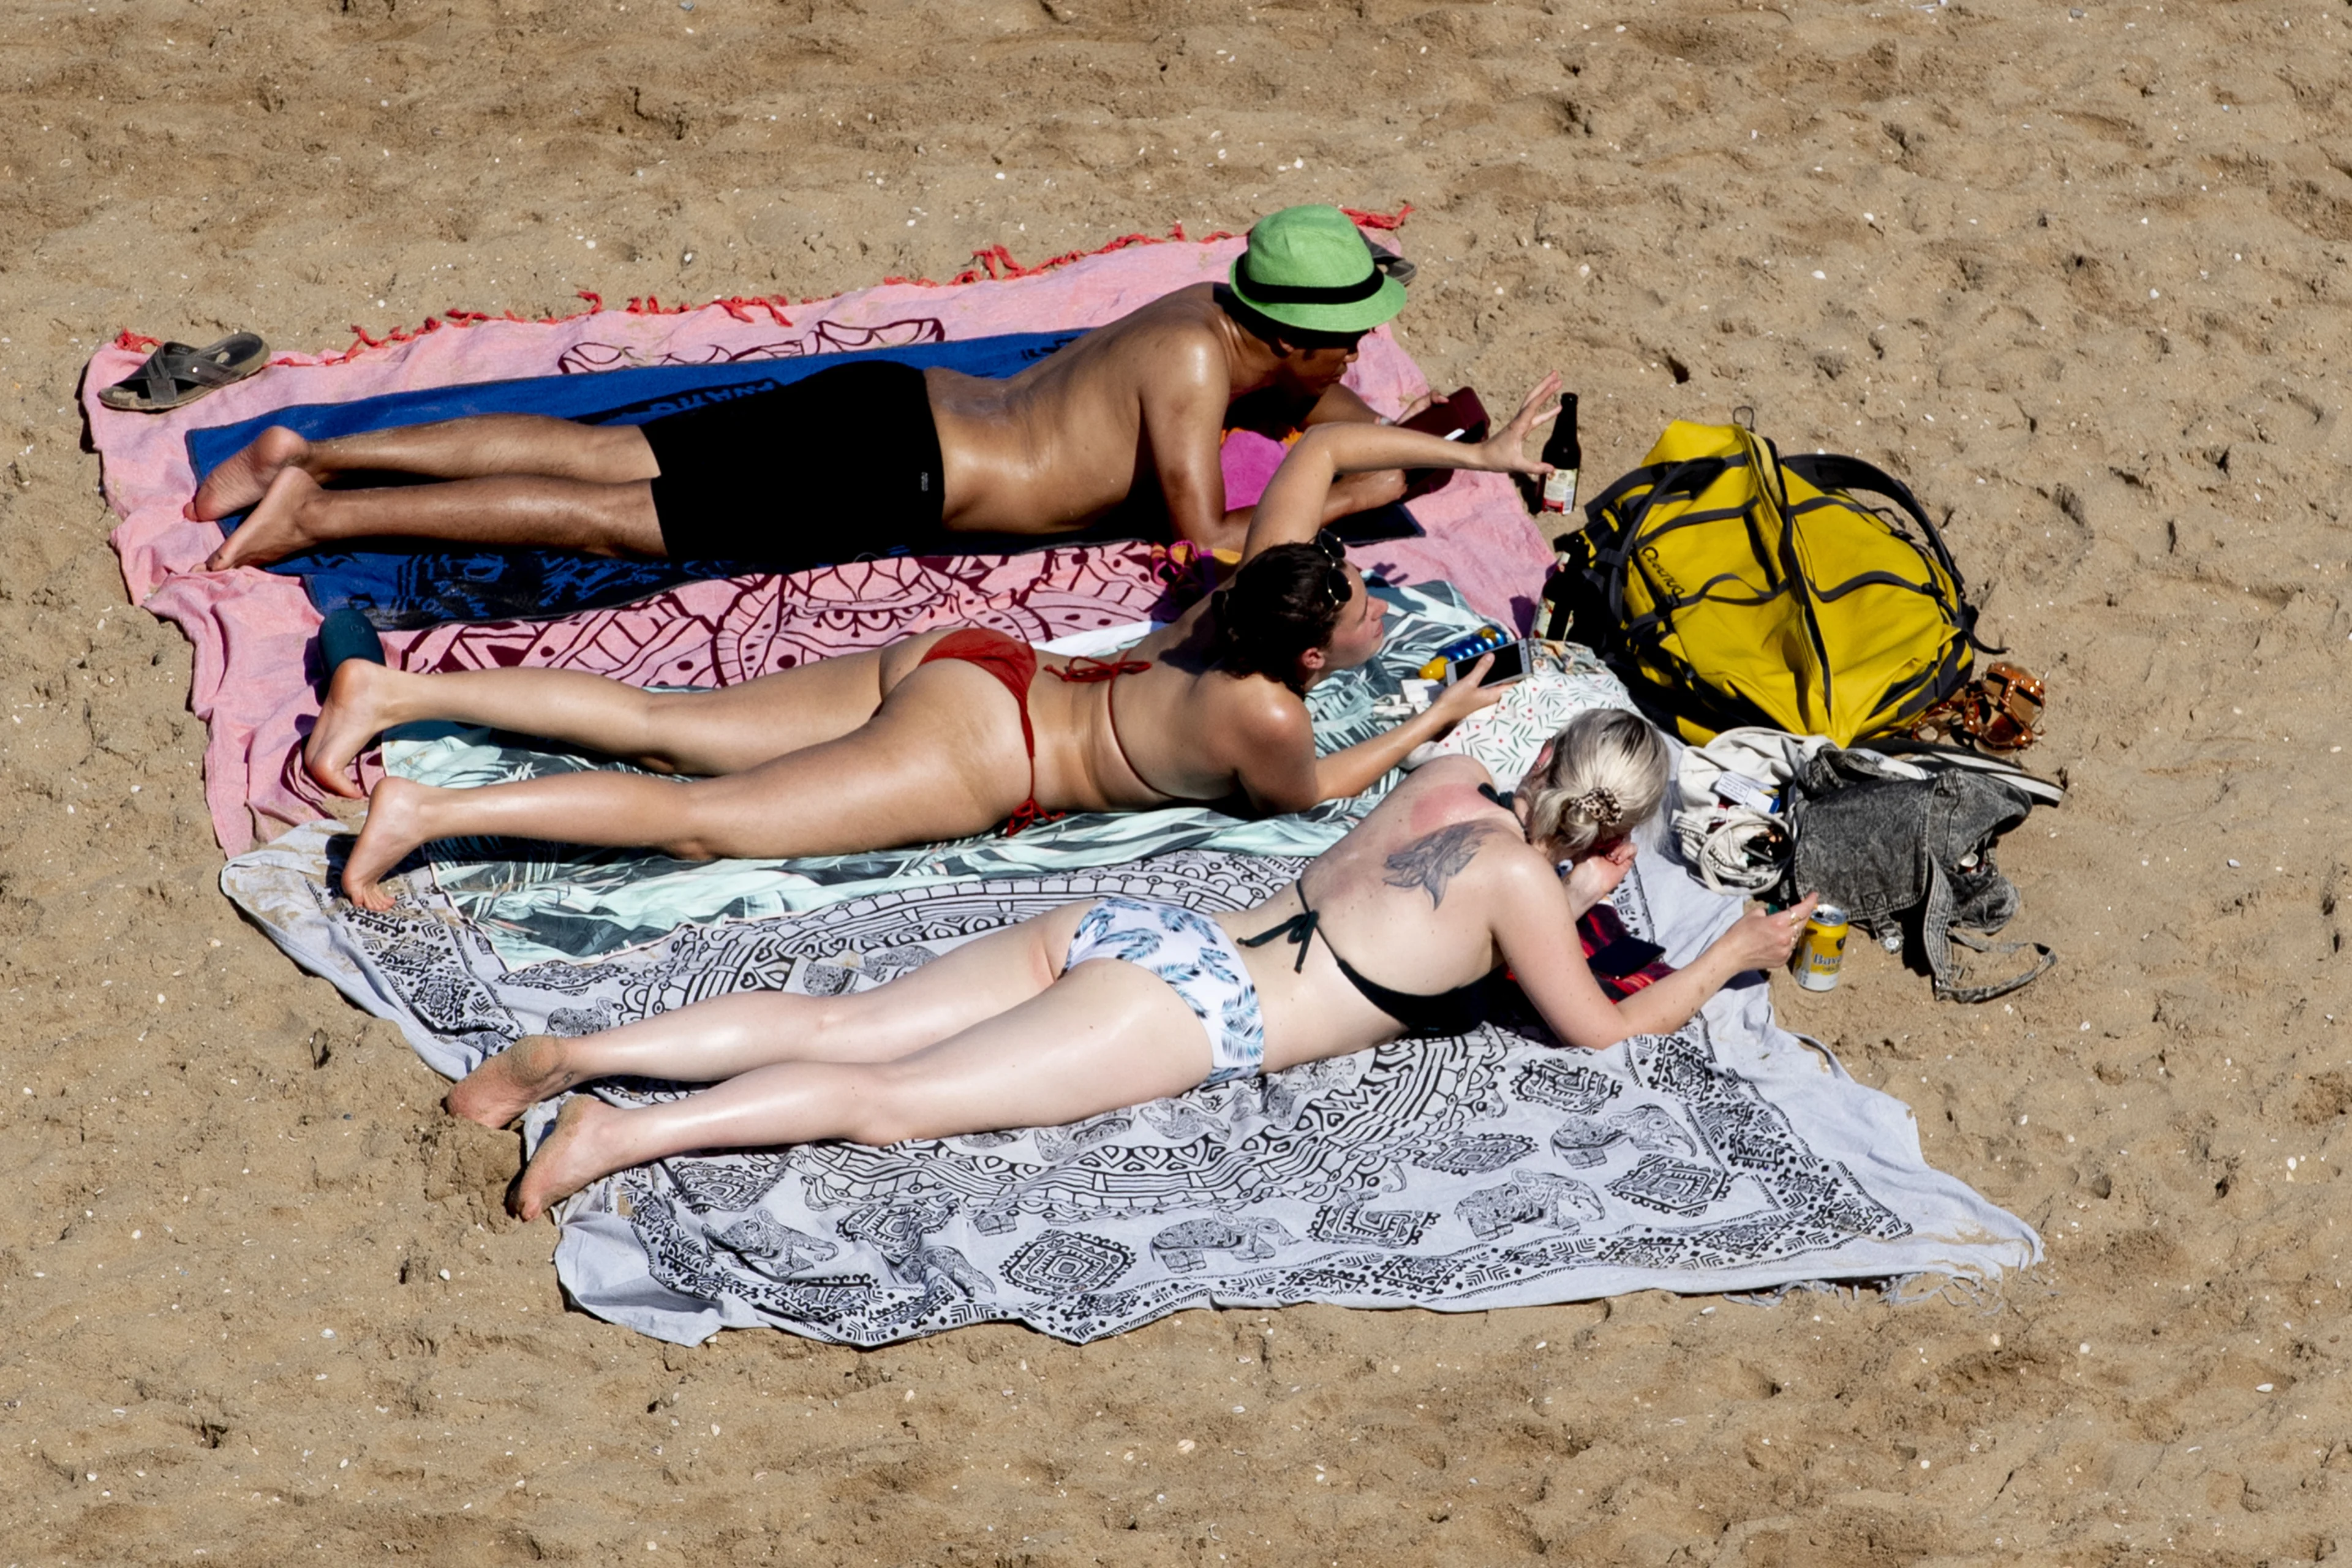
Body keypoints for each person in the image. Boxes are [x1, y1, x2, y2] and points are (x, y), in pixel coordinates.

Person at [447, 709, 1823, 1220]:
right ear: (1614, 834)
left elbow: (1495, 823)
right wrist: (1731, 956)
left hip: (1144, 930)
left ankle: (579, 1053)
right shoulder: (1533, 886)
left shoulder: (1456, 780)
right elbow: (1595, 1022)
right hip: (1194, 1008)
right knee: (892, 1098)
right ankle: (622, 1133)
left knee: (847, 1018)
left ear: (1539, 764)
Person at [315, 377, 1568, 911]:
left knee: (669, 727)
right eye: (1359, 610)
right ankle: (420, 811)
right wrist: (1435, 720)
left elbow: (1324, 454)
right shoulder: (1272, 719)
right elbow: (1325, 788)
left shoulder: (1234, 593)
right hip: (986, 753)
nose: (1372, 609)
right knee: (711, 818)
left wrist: (1485, 458)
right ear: (1304, 661)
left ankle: (390, 686)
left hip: (979, 660)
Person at [189, 205, 1426, 572]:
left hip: (892, 403)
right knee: (602, 519)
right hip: (901, 473)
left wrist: (1426, 441)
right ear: (1298, 338)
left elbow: (1332, 413)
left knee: (607, 454)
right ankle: (328, 512)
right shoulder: (1201, 373)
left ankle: (315, 447)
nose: (1362, 356)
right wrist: (1339, 488)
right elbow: (1210, 533)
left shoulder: (1199, 315)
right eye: (1354, 338)